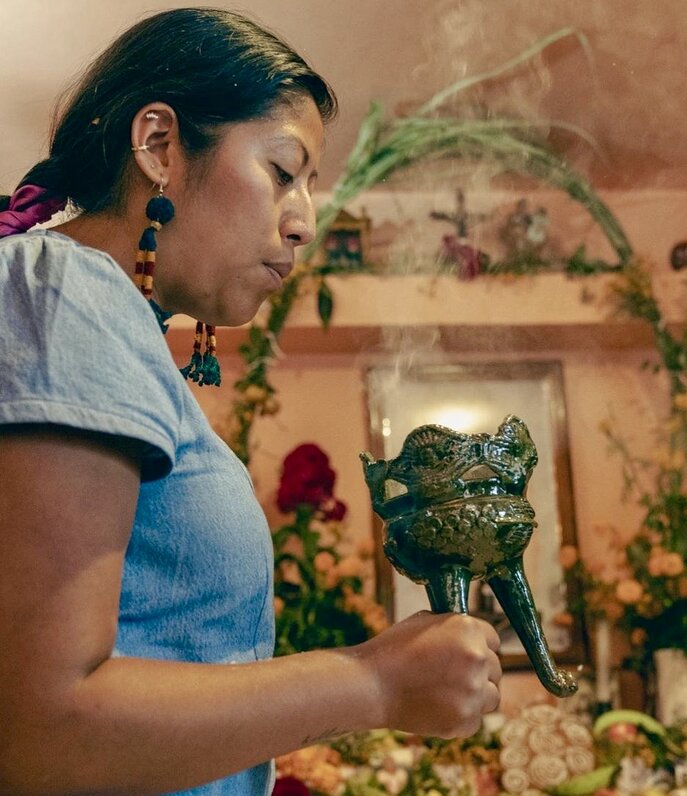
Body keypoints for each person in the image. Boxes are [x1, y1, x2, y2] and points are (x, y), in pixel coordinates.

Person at [0, 8, 501, 795]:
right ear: (160, 146)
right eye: (282, 172)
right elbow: (38, 723)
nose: (305, 221)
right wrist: (372, 683)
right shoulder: (68, 290)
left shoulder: (106, 320)